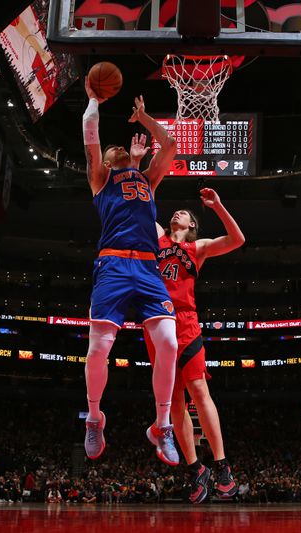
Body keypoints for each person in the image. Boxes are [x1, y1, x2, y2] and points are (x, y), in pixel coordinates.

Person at [81, 79, 180, 465]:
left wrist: (144, 118)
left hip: (147, 267)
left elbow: (170, 145)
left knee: (168, 344)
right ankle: (93, 417)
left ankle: (161, 426)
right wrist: (93, 99)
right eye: (114, 149)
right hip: (113, 265)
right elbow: (90, 132)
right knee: (98, 349)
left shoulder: (146, 181)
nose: (120, 146)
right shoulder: (101, 179)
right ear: (106, 162)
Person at [146, 189, 245, 503]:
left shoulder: (197, 247)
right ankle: (195, 469)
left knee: (199, 389)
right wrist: (135, 166)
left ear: (192, 226)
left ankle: (222, 465)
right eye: (175, 212)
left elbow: (237, 239)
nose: (177, 213)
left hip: (185, 322)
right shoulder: (158, 236)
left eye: (184, 213)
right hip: (156, 321)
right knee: (173, 400)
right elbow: (139, 208)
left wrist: (218, 206)